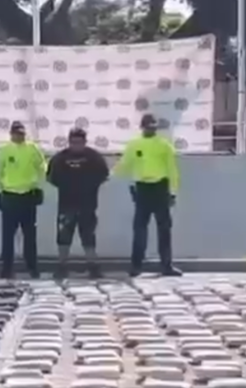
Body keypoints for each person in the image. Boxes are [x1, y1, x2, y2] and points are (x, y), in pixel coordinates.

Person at [114, 113, 182, 277]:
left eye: (154, 127)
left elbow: (172, 170)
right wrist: (109, 175)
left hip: (160, 187)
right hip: (142, 188)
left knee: (164, 229)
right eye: (148, 127)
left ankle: (166, 265)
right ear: (142, 127)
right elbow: (124, 164)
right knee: (139, 229)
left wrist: (173, 192)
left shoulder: (164, 145)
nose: (151, 130)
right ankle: (136, 265)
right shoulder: (134, 144)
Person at [47, 127, 109, 280]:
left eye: (79, 142)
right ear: (69, 142)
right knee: (63, 237)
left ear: (85, 142)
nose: (76, 145)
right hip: (66, 205)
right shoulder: (60, 158)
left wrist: (89, 187)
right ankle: (61, 267)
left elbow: (104, 175)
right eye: (73, 142)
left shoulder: (94, 157)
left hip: (88, 205)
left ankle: (93, 267)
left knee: (88, 237)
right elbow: (51, 178)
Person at [0, 121, 47, 279]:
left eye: (22, 133)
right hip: (10, 196)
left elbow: (42, 168)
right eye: (16, 133)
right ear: (11, 134)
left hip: (28, 195)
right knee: (8, 235)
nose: (19, 136)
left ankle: (32, 267)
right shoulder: (3, 150)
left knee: (30, 235)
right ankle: (7, 268)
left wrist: (39, 188)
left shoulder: (32, 149)